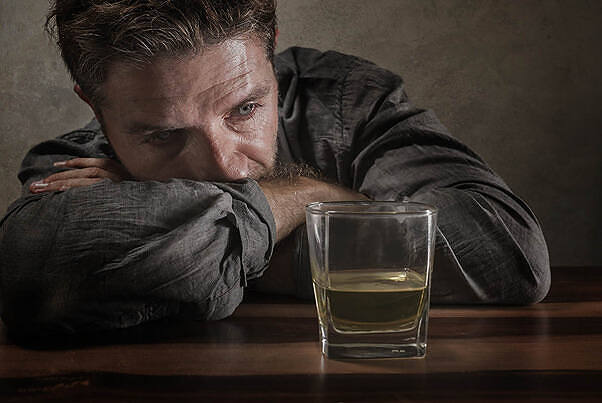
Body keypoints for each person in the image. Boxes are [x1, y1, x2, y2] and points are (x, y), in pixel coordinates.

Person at [0, 0, 550, 336]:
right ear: (95, 107)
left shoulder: (347, 101)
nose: (225, 168)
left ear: (271, 55)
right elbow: (34, 276)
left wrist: (201, 239)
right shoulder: (74, 165)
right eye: (165, 135)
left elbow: (505, 251)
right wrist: (339, 211)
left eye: (244, 109)